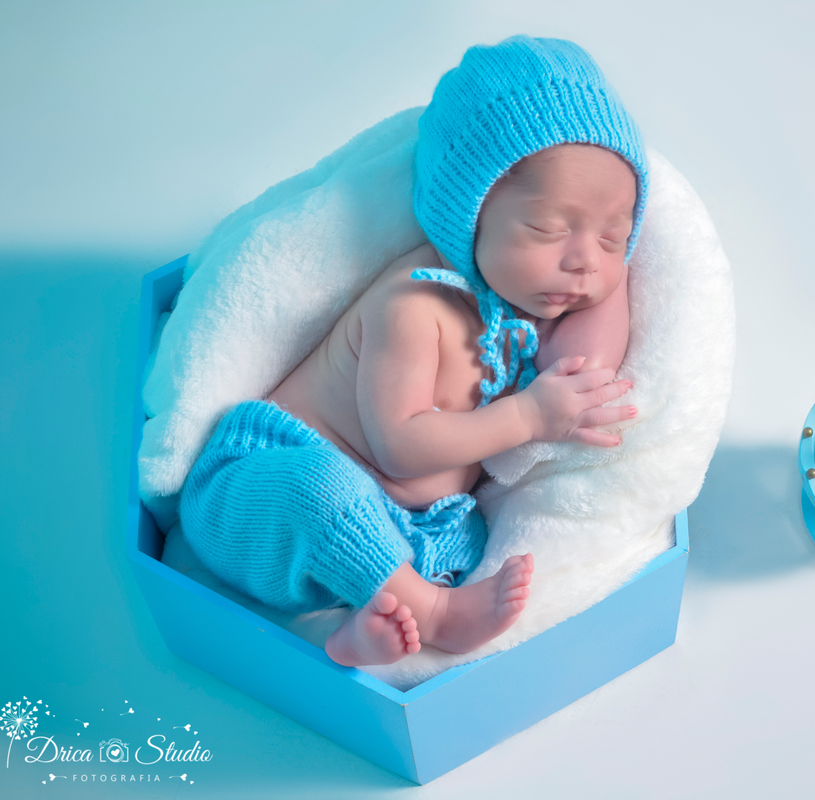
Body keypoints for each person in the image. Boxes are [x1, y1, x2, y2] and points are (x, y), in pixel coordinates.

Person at [180, 35, 650, 667]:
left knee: (465, 538)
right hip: (262, 495)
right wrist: (527, 416)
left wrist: (611, 278)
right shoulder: (417, 303)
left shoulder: (533, 307)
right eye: (548, 228)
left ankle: (363, 627)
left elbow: (586, 372)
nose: (582, 261)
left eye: (613, 237)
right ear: (470, 213)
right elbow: (398, 447)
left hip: (404, 531)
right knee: (320, 489)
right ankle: (434, 614)